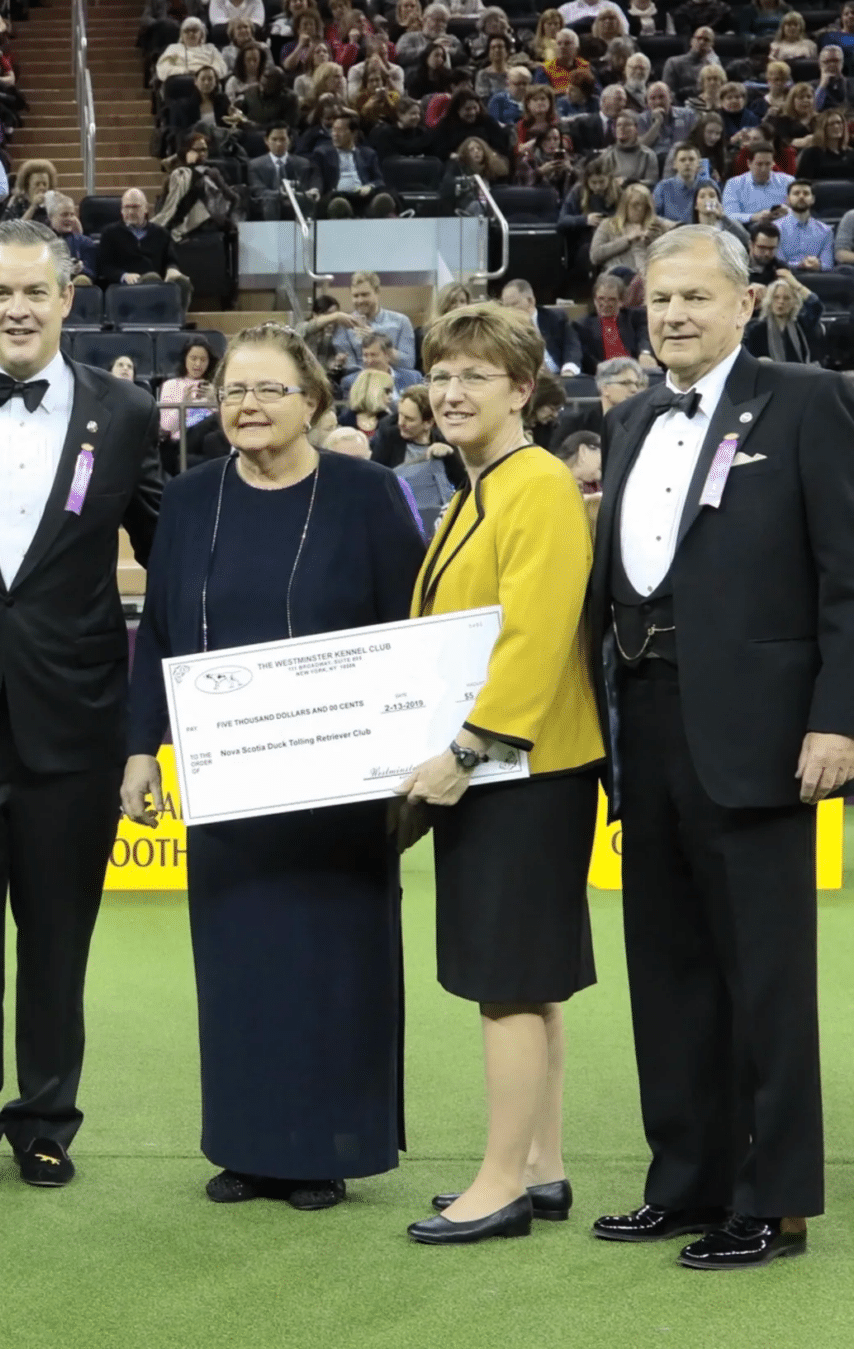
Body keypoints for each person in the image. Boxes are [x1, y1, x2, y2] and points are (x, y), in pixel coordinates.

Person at [586, 224, 854, 1269]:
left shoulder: (808, 402)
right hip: (645, 721)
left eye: (697, 297)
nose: (676, 316)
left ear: (746, 305)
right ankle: (686, 1177)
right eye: (660, 301)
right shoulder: (630, 418)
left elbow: (847, 577)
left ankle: (774, 1196)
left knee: (765, 975)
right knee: (668, 966)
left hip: (762, 729)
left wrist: (837, 715)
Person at [121, 323, 425, 1213]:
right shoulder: (188, 499)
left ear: (314, 403)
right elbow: (163, 638)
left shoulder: (369, 495)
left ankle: (324, 1147)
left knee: (331, 967)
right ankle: (250, 1147)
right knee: (240, 970)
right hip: (229, 784)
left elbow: (407, 632)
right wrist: (143, 747)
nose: (247, 407)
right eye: (234, 394)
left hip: (340, 787)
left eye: (268, 392)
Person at [0, 220, 163, 1196]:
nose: (16, 308)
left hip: (77, 723)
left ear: (67, 299)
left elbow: (176, 558)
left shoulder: (126, 414)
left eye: (33, 293)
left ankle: (46, 1114)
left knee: (58, 938)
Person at [390, 303, 608, 1245]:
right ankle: (540, 1167)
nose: (451, 391)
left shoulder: (534, 484)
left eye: (476, 375)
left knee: (508, 984)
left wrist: (470, 749)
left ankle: (500, 1183)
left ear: (525, 389)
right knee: (531, 982)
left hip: (520, 767)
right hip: (516, 768)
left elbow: (537, 630)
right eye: (441, 373)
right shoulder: (478, 486)